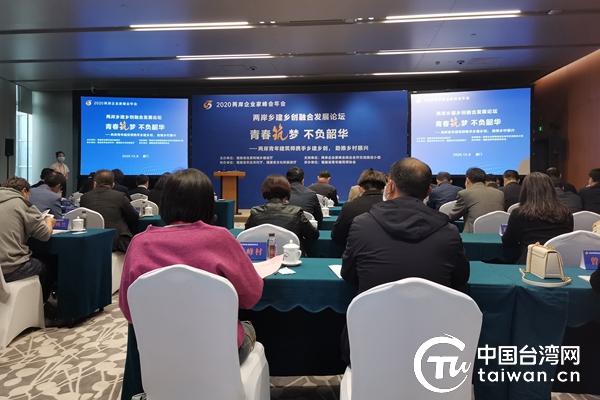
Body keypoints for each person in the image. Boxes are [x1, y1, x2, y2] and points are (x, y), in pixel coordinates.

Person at [119, 168, 263, 365]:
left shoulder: (139, 243)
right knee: (248, 327)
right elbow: (252, 296)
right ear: (208, 204)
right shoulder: (221, 238)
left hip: (160, 355)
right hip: (218, 353)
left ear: (165, 203)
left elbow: (129, 311)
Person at [340, 158, 469, 365]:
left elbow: (349, 275)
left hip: (368, 345)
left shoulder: (362, 224)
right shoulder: (449, 232)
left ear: (390, 186)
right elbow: (460, 279)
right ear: (429, 192)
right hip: (432, 348)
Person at [0, 177, 56, 303]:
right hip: (10, 269)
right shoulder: (23, 204)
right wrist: (49, 221)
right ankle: (42, 306)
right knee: (49, 266)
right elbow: (44, 235)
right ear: (24, 191)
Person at [502, 172, 573, 264]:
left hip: (529, 264)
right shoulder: (566, 213)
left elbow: (508, 241)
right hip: (559, 263)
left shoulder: (520, 213)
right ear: (551, 189)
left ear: (525, 191)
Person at [245, 174, 319, 255]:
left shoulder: (255, 212)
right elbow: (313, 236)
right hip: (291, 258)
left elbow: (246, 238)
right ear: (287, 192)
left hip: (263, 259)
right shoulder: (296, 212)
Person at [80, 169, 139, 252]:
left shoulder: (84, 197)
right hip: (115, 242)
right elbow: (134, 216)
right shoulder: (120, 196)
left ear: (95, 183)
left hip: (90, 242)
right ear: (113, 184)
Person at [331, 168, 386, 246]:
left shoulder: (349, 207)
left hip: (357, 251)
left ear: (360, 189)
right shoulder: (393, 206)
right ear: (383, 190)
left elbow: (337, 237)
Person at [447, 167, 505, 233]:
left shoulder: (465, 193)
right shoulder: (500, 193)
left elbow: (453, 216)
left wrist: (440, 218)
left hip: (473, 235)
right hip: (497, 234)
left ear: (467, 180)